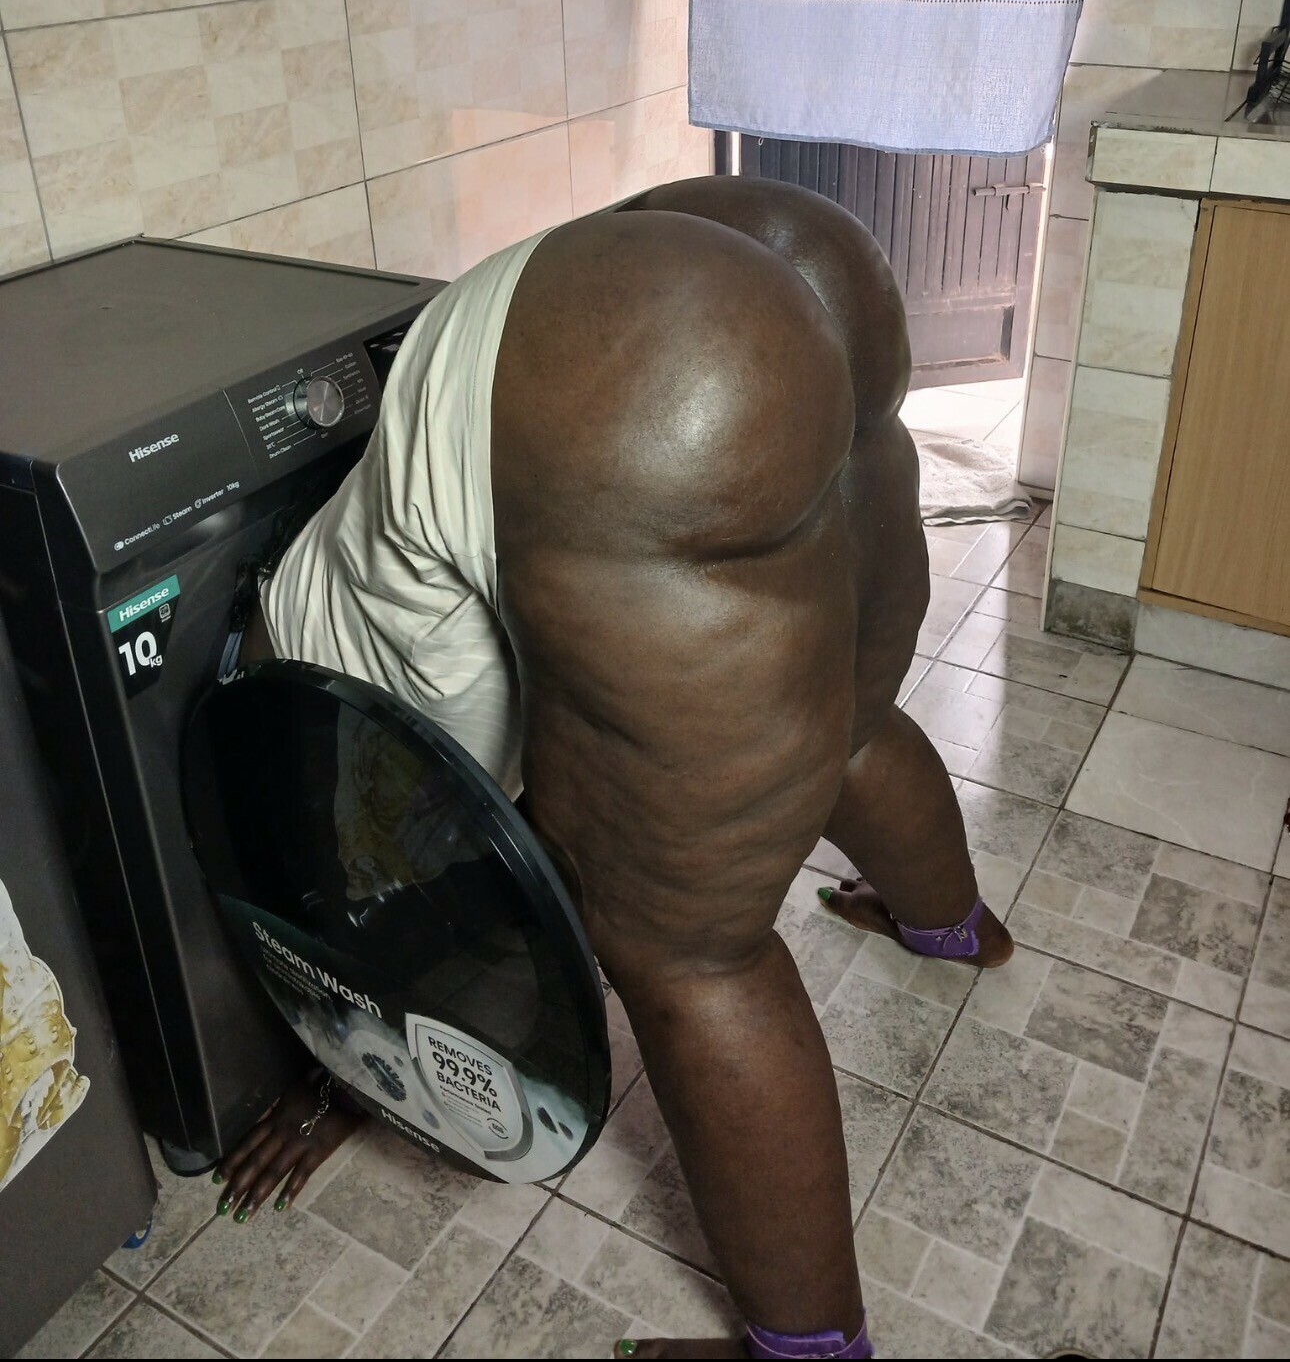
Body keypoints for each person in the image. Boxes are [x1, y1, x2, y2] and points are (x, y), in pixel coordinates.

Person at [213, 177, 1013, 1361]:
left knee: (690, 951)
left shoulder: (310, 732)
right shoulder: (351, 589)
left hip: (649, 392)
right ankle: (954, 929)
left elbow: (347, 911)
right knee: (841, 720)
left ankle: (808, 1353)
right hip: (763, 266)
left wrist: (333, 1076)